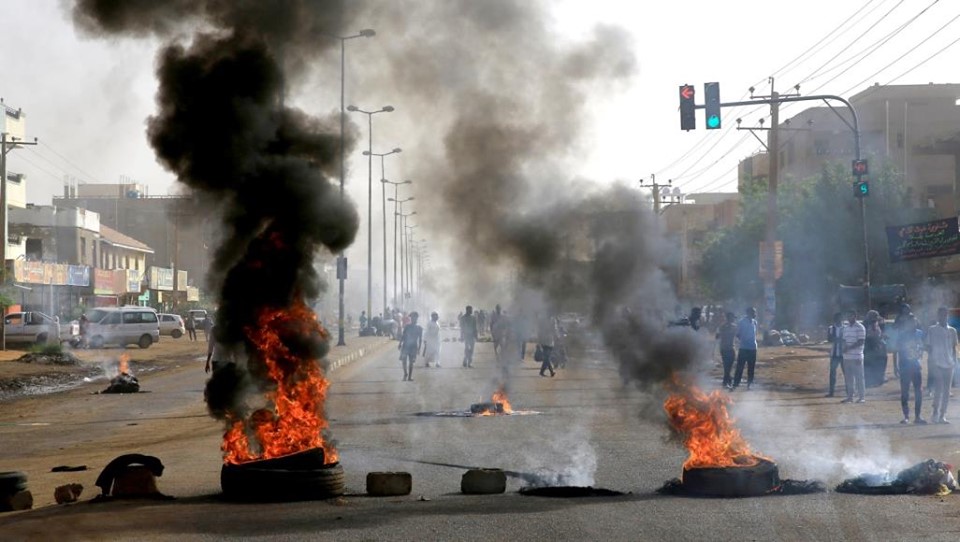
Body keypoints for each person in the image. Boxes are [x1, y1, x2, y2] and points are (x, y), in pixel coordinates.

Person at [925, 306, 957, 424]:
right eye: (941, 314)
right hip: (937, 363)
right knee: (938, 389)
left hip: (949, 364)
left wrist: (954, 362)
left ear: (947, 316)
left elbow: (954, 348)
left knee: (947, 391)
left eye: (945, 314)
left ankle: (943, 415)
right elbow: (928, 347)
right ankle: (935, 413)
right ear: (938, 316)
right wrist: (931, 362)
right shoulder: (932, 330)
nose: (943, 317)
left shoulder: (952, 331)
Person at [894, 308, 926, 424]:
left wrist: (920, 354)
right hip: (904, 366)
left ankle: (918, 416)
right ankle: (906, 416)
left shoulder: (920, 333)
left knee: (918, 391)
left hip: (916, 366)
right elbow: (896, 351)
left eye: (914, 321)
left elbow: (922, 346)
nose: (912, 324)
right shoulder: (902, 335)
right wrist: (895, 366)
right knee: (905, 392)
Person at [840, 309, 866, 404]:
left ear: (855, 316)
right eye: (847, 316)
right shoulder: (846, 328)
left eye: (850, 316)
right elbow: (843, 340)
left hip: (857, 356)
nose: (848, 318)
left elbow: (861, 341)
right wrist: (844, 348)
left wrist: (849, 348)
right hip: (847, 357)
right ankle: (850, 397)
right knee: (849, 378)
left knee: (859, 377)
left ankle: (861, 397)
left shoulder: (860, 327)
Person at [732, 307, 758, 390]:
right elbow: (737, 334)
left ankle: (750, 383)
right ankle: (736, 383)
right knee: (740, 366)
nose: (755, 314)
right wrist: (743, 340)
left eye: (755, 312)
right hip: (744, 347)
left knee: (751, 367)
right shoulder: (742, 322)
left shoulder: (754, 322)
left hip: (753, 347)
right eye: (753, 312)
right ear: (748, 313)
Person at [863, 310, 888, 387]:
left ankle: (880, 377)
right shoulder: (865, 324)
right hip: (869, 345)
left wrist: (883, 336)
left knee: (882, 359)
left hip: (877, 345)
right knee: (869, 363)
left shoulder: (877, 323)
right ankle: (869, 380)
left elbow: (879, 334)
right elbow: (869, 336)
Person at [825, 312, 846, 397]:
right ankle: (831, 392)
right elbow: (829, 339)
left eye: (840, 318)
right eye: (837, 319)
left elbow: (846, 339)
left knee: (846, 373)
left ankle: (849, 391)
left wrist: (836, 339)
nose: (839, 320)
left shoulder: (846, 328)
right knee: (832, 373)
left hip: (843, 354)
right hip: (834, 354)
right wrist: (839, 339)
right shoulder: (831, 328)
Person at [398, 311, 423, 381]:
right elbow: (403, 336)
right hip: (406, 345)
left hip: (413, 346)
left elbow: (420, 339)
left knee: (411, 362)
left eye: (414, 317)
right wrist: (400, 343)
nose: (413, 319)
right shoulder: (407, 326)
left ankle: (409, 376)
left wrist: (419, 348)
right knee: (404, 360)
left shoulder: (419, 328)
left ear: (417, 318)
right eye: (412, 317)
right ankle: (405, 373)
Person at [716, 311, 737, 389]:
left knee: (729, 366)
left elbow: (738, 335)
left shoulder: (734, 327)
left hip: (731, 348)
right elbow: (717, 336)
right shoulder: (722, 327)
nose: (733, 319)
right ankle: (727, 382)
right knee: (726, 366)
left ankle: (726, 381)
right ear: (729, 318)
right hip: (724, 349)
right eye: (732, 318)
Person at [537, 313, 557, 377]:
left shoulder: (549, 320)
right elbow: (554, 330)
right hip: (546, 341)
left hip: (548, 341)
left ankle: (542, 372)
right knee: (547, 357)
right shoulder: (551, 320)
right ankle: (551, 371)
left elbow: (554, 330)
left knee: (547, 357)